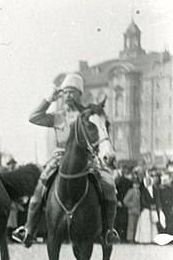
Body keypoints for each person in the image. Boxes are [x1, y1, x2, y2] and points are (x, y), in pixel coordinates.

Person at [12, 73, 119, 247]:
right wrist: (48, 100)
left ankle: (109, 230)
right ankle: (28, 229)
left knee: (109, 185)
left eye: (73, 92)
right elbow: (33, 117)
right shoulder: (58, 116)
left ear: (80, 95)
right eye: (66, 92)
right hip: (60, 159)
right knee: (39, 189)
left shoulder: (88, 114)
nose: (68, 96)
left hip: (87, 160)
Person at [123, 178, 142, 243]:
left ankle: (134, 238)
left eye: (137, 184)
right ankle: (130, 239)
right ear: (133, 184)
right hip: (131, 211)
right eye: (135, 184)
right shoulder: (130, 191)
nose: (136, 185)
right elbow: (125, 201)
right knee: (131, 225)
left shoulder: (139, 191)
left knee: (136, 225)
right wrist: (131, 205)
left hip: (137, 211)